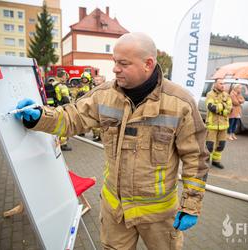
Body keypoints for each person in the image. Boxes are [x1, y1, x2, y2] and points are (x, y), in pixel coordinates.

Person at [14, 32, 209, 250]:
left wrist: (191, 205)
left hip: (158, 216)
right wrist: (41, 117)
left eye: (123, 63)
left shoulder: (179, 103)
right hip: (115, 211)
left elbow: (196, 157)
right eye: (114, 61)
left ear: (148, 64)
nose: (115, 69)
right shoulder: (103, 95)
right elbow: (71, 118)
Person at [205, 78, 232, 169]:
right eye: (220, 83)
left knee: (221, 145)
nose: (222, 85)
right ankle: (206, 162)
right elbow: (212, 108)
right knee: (210, 146)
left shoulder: (226, 95)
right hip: (212, 124)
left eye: (223, 83)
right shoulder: (210, 94)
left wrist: (221, 109)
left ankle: (216, 161)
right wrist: (223, 106)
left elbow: (230, 109)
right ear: (215, 84)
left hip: (223, 125)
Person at [54, 70, 72, 151]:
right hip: (62, 108)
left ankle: (56, 142)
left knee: (55, 125)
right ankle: (63, 144)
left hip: (53, 108)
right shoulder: (62, 86)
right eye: (66, 76)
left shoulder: (52, 84)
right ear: (63, 76)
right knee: (63, 126)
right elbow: (66, 99)